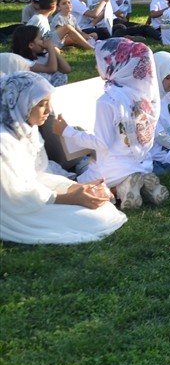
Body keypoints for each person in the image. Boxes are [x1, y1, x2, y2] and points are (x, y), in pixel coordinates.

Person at [0, 72, 125, 244]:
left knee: (103, 210)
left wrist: (74, 187)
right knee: (93, 220)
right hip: (14, 209)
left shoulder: (28, 130)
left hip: (35, 195)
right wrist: (69, 197)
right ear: (21, 105)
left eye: (50, 103)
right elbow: (15, 195)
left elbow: (39, 174)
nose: (49, 110)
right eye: (42, 104)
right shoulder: (3, 143)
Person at [59, 39, 168, 209]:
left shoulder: (108, 100)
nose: (97, 66)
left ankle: (120, 188)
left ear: (115, 64)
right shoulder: (143, 93)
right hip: (143, 163)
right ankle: (141, 182)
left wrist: (66, 130)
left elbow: (101, 143)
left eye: (99, 62)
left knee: (75, 184)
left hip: (112, 168)